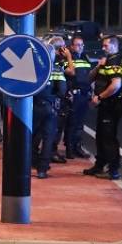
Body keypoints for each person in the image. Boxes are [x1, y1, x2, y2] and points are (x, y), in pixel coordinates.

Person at [83, 35, 122, 180]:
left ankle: (113, 169)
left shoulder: (115, 61)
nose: (103, 48)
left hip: (112, 104)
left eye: (106, 45)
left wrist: (100, 97)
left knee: (108, 137)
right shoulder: (106, 61)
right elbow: (90, 77)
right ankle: (99, 165)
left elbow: (116, 85)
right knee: (101, 136)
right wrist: (98, 66)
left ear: (114, 46)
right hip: (105, 105)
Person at [32, 44, 66, 179]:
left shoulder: (33, 69)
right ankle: (42, 169)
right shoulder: (57, 70)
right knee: (48, 138)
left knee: (30, 136)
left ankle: (32, 162)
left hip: (33, 107)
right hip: (50, 108)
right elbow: (62, 91)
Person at [63, 35, 94, 159]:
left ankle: (77, 146)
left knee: (80, 123)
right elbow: (71, 72)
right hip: (73, 95)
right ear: (71, 46)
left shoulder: (85, 58)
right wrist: (69, 57)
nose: (80, 47)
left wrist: (93, 91)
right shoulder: (65, 59)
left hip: (84, 94)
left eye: (82, 45)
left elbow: (89, 76)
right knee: (71, 123)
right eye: (77, 45)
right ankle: (69, 149)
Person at [49, 36, 70, 164]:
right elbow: (71, 72)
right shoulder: (59, 62)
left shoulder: (45, 60)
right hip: (55, 101)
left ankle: (38, 155)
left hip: (46, 99)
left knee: (44, 130)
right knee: (54, 129)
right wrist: (68, 57)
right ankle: (51, 153)